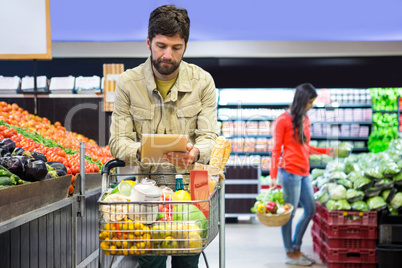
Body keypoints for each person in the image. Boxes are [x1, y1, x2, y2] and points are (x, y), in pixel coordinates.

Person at [108, 4, 219, 268]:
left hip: (189, 195)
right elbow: (118, 141)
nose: (167, 55)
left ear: (186, 46)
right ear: (148, 42)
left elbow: (208, 136)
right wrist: (140, 150)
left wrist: (196, 152)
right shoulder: (128, 83)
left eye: (176, 47)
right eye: (161, 46)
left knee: (187, 259)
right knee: (150, 260)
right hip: (145, 195)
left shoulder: (203, 82)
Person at [270, 83, 333, 266]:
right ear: (302, 101)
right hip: (289, 172)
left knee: (310, 210)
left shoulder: (305, 119)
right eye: (310, 102)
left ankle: (296, 248)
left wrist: (327, 151)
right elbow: (275, 150)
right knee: (288, 215)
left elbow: (305, 147)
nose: (312, 106)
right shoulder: (282, 120)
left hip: (305, 172)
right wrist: (273, 176)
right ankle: (290, 252)